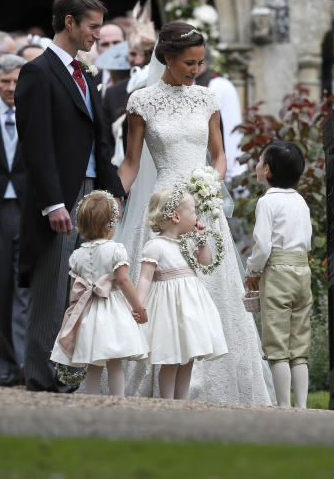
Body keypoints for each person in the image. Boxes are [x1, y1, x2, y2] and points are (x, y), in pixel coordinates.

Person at [116, 20, 272, 405]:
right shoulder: (141, 102)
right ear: (167, 58)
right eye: (188, 62)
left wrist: (208, 184)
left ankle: (220, 384)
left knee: (212, 290)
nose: (196, 70)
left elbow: (219, 156)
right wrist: (111, 198)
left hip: (202, 208)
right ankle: (158, 383)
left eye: (200, 62)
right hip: (163, 208)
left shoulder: (207, 99)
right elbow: (132, 162)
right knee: (159, 287)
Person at [15, 0, 126, 392]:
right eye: (93, 27)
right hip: (60, 195)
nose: (98, 34)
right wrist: (52, 203)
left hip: (92, 193)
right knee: (52, 288)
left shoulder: (83, 73)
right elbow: (36, 143)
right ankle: (43, 379)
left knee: (85, 288)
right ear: (69, 23)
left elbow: (100, 138)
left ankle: (73, 376)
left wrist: (112, 188)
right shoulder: (38, 72)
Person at [50, 191, 149, 396]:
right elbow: (123, 280)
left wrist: (73, 315)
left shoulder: (77, 254)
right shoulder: (115, 250)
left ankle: (92, 399)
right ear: (111, 224)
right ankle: (118, 399)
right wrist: (138, 306)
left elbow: (74, 291)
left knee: (93, 360)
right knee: (114, 361)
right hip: (112, 311)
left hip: (87, 312)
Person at [135, 186, 228, 399]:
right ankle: (168, 402)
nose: (196, 216)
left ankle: (183, 401)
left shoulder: (188, 242)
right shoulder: (155, 245)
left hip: (191, 309)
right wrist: (138, 304)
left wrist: (202, 240)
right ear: (176, 216)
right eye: (193, 211)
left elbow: (206, 262)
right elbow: (145, 278)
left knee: (188, 358)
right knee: (171, 358)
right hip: (168, 311)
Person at [245, 141, 312, 409]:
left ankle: (284, 406)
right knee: (299, 343)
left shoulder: (267, 202)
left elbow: (263, 245)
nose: (257, 166)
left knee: (276, 342)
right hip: (302, 269)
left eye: (260, 161)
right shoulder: (301, 201)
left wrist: (253, 270)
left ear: (268, 171)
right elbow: (306, 238)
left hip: (278, 270)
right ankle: (303, 406)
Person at [0, 54, 32, 386]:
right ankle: (5, 363)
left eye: (17, 81)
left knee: (25, 289)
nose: (12, 88)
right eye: (5, 82)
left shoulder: (35, 115)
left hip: (29, 210)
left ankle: (27, 362)